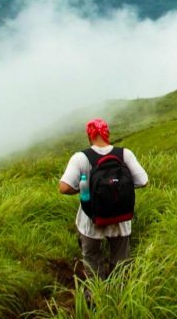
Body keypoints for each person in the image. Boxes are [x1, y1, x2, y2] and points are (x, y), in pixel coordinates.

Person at [58, 118, 149, 279]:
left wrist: (85, 189)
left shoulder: (80, 157)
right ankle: (119, 295)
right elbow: (143, 181)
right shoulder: (124, 154)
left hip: (91, 220)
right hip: (121, 220)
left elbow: (64, 187)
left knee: (92, 260)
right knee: (120, 264)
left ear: (89, 136)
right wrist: (119, 187)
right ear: (107, 134)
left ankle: (94, 296)